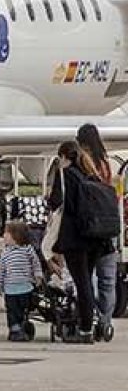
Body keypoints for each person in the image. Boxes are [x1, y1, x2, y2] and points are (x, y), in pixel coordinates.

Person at [48, 140, 116, 343]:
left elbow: (56, 202)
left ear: (63, 157)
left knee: (82, 283)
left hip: (76, 238)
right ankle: (97, 320)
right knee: (88, 280)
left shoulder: (66, 175)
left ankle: (85, 328)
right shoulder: (91, 174)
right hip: (96, 238)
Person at [76, 122, 118, 338]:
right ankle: (105, 321)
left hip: (90, 226)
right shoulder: (106, 163)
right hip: (108, 226)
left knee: (87, 276)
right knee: (108, 280)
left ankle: (90, 317)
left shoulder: (83, 163)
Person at [0, 221, 43, 342]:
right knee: (11, 310)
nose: (4, 236)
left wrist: (38, 276)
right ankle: (14, 328)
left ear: (16, 236)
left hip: (25, 287)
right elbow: (1, 269)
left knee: (22, 310)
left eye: (6, 233)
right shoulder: (5, 253)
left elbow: (35, 264)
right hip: (10, 288)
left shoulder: (27, 250)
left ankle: (21, 325)